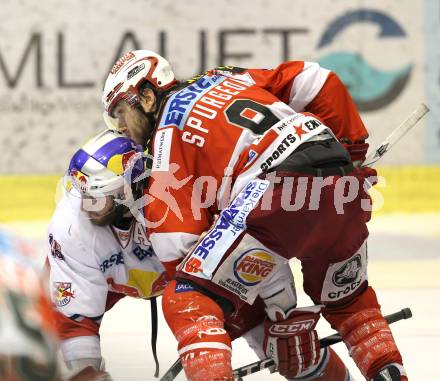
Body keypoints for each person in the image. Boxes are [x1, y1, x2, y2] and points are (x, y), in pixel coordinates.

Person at [101, 50, 407, 381]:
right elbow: (318, 81)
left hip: (276, 192)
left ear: (147, 96)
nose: (123, 130)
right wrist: (353, 153)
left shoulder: (164, 140)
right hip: (342, 183)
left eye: (121, 113)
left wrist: (258, 317)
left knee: (185, 299)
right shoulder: (226, 76)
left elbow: (179, 248)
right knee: (350, 301)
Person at [47, 129, 169, 380]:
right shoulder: (70, 226)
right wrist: (86, 373)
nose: (84, 204)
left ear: (126, 193)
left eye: (95, 196)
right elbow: (74, 323)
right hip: (107, 275)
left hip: (176, 273)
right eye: (83, 193)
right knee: (43, 317)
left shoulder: (171, 205)